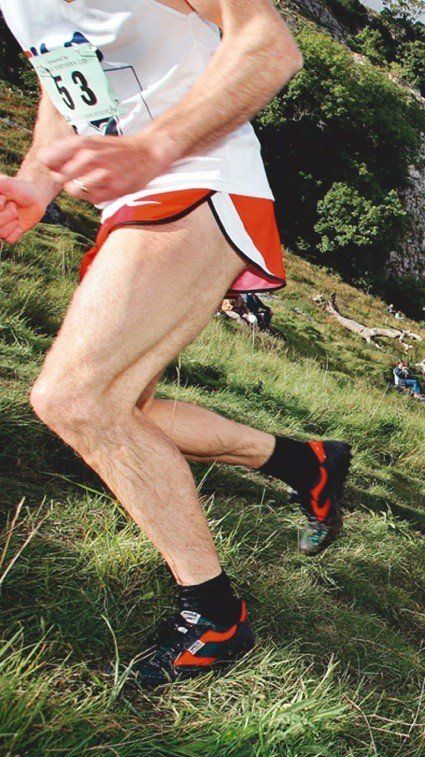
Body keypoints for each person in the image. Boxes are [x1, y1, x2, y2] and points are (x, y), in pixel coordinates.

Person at [0, 0, 356, 690]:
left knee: (76, 399)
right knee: (123, 411)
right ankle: (306, 464)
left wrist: (154, 146)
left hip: (200, 176)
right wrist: (38, 182)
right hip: (134, 196)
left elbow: (269, 45)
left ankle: (214, 616)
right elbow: (61, 66)